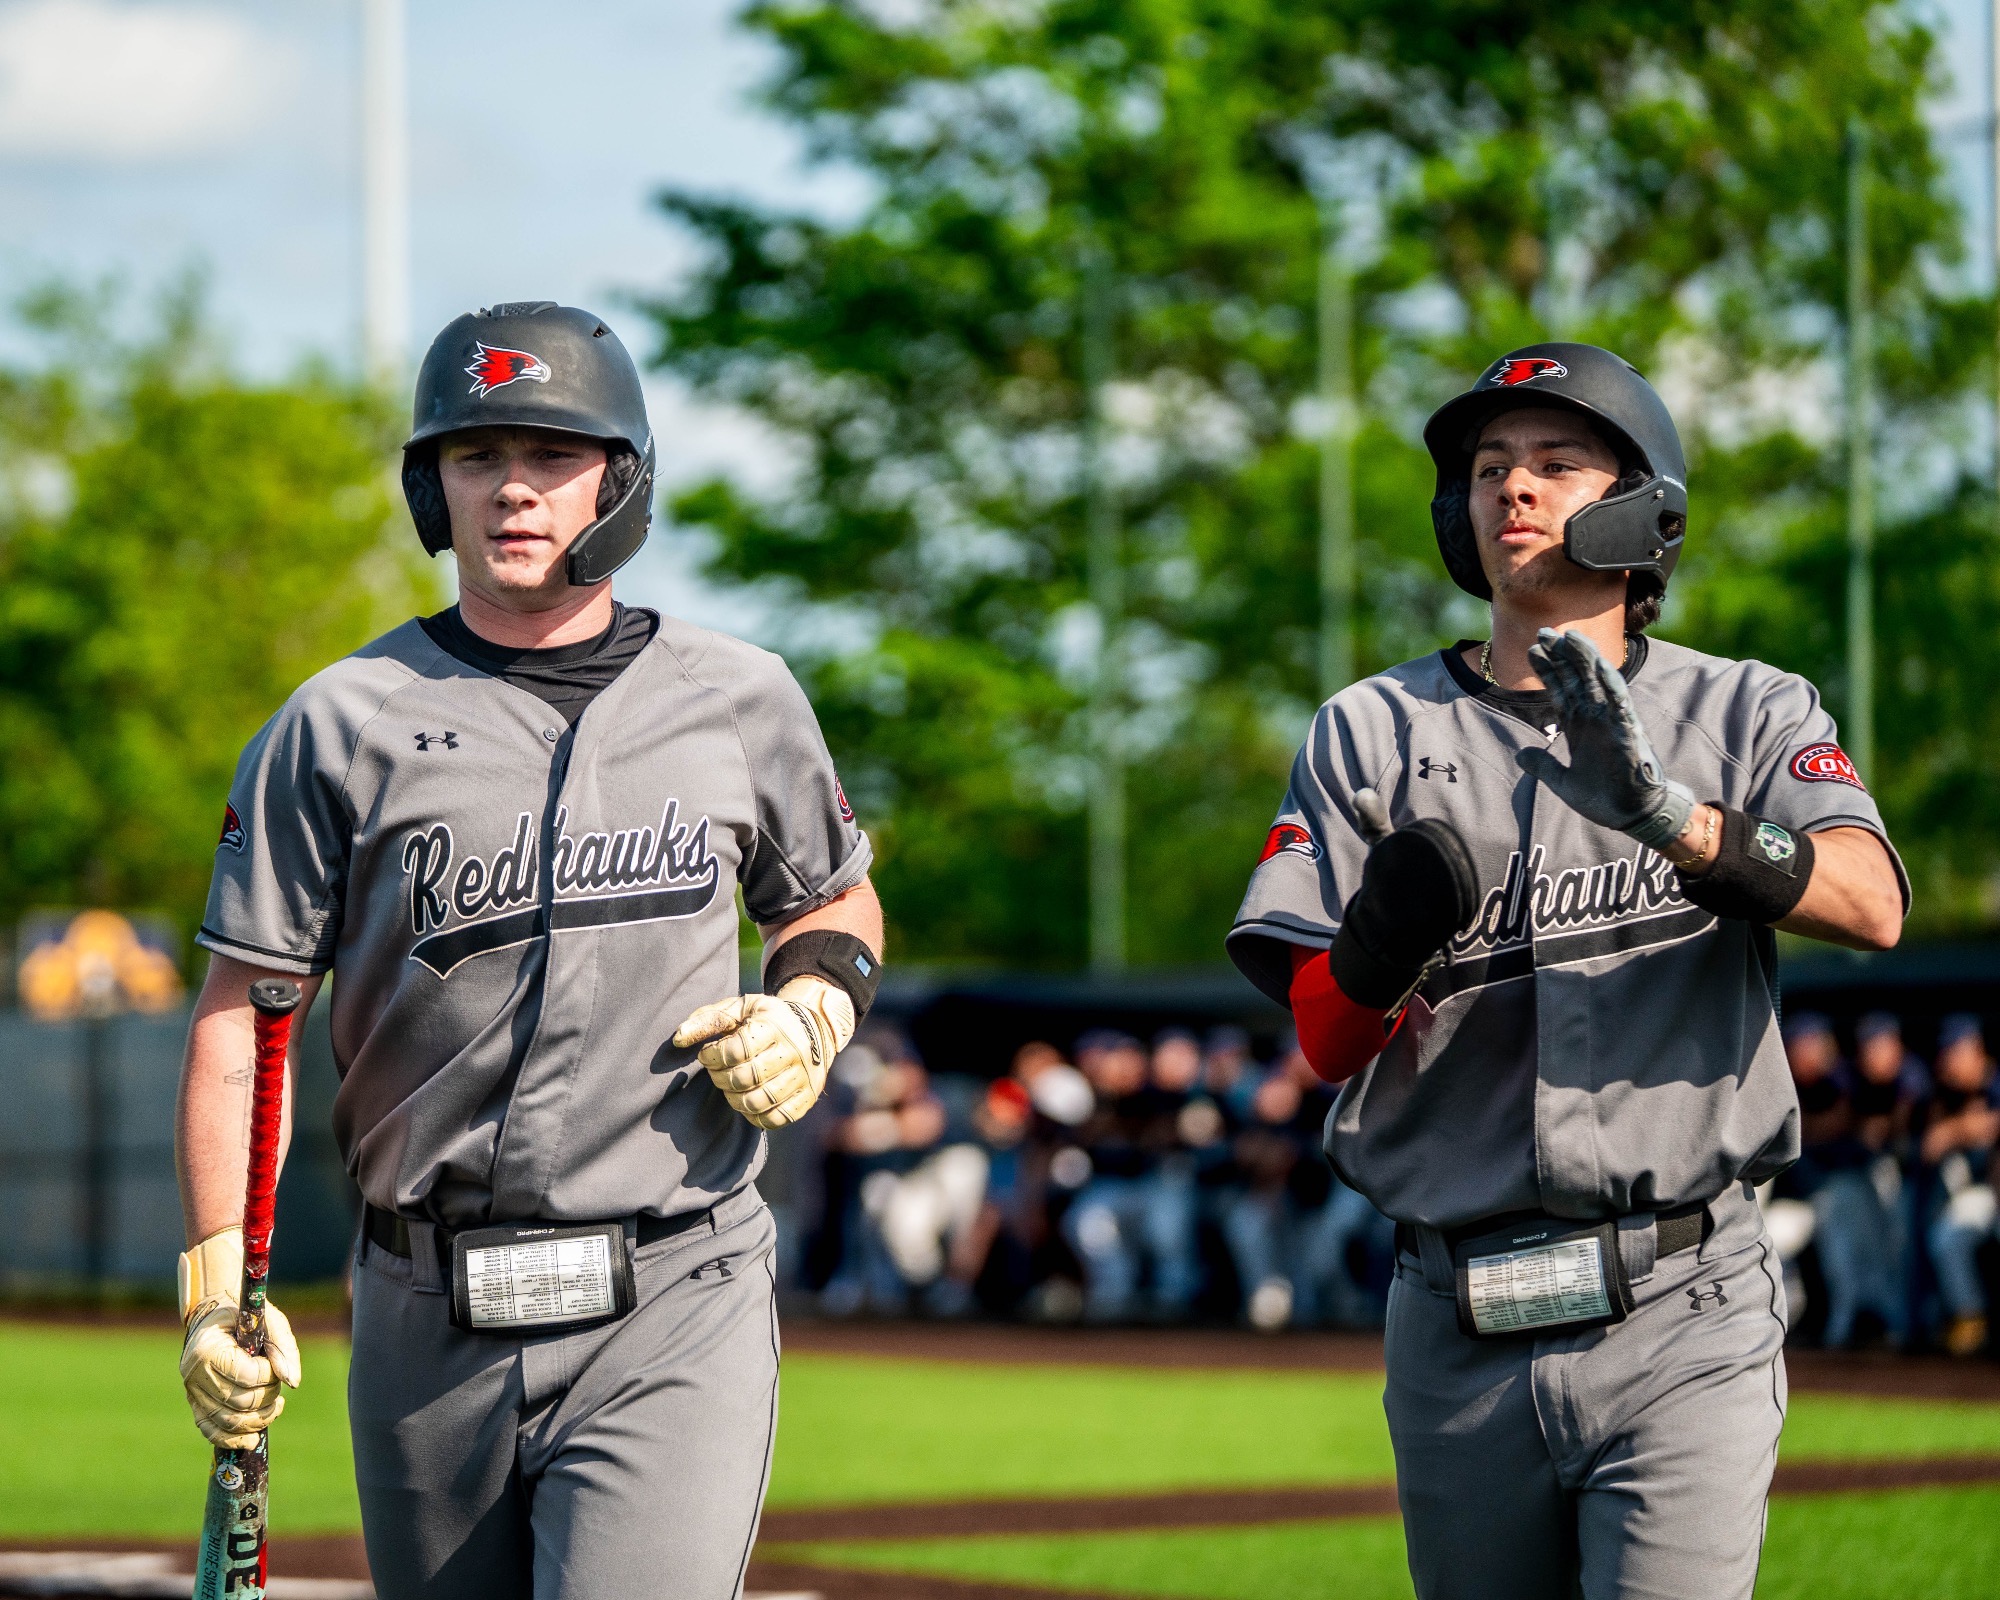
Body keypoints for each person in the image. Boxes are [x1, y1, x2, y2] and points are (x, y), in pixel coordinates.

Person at [174, 302, 882, 1600]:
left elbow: (832, 900)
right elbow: (245, 1016)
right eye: (475, 455)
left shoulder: (743, 694)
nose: (512, 489)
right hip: (420, 1302)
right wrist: (218, 1276)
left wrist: (816, 1008)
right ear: (429, 484)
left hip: (675, 1281)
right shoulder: (337, 723)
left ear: (622, 479)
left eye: (552, 456)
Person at [1227, 343, 1906, 1600]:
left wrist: (1678, 824)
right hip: (1454, 1317)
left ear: (1637, 504)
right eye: (1487, 470)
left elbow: (1869, 903)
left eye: (1551, 463)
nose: (1512, 490)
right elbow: (1322, 1045)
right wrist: (1378, 949)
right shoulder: (1370, 731)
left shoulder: (1746, 707)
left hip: (1683, 1301)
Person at [1776, 1012, 1902, 1347]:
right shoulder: (1780, 1083)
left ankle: (1872, 1329)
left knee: (1866, 1259)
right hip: (1807, 1199)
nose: (1807, 1052)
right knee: (1783, 1247)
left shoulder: (1843, 1078)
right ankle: (1806, 1329)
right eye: (1800, 1045)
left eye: (1814, 1044)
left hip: (1853, 1188)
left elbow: (1861, 1120)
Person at [1920, 1013, 2000, 1356]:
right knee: (1948, 1236)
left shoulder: (1995, 1083)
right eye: (1948, 1051)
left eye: (1959, 1050)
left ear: (1979, 1052)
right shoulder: (1943, 1095)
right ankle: (1971, 1318)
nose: (1951, 1059)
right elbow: (1927, 1147)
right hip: (1984, 1198)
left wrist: (1958, 1131)